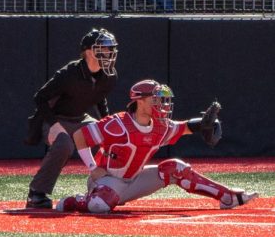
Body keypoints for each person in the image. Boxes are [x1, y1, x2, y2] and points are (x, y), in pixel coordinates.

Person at [54, 79, 256, 213]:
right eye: (156, 99)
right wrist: (92, 168)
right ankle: (77, 200)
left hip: (133, 181)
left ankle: (228, 197)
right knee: (100, 205)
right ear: (140, 101)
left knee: (176, 168)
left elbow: (184, 127)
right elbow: (80, 135)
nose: (162, 104)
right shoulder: (117, 124)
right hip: (106, 181)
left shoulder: (160, 126)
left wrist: (205, 124)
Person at [22, 28, 119, 209]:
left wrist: (108, 124)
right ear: (89, 52)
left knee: (114, 136)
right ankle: (37, 192)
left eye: (110, 49)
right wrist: (54, 125)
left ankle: (108, 185)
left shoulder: (109, 76)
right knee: (64, 144)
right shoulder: (69, 73)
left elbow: (100, 99)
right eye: (103, 49)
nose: (109, 53)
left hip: (80, 118)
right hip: (54, 118)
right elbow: (40, 98)